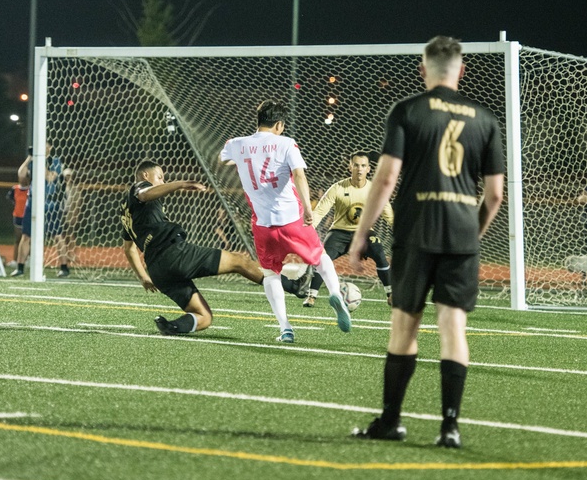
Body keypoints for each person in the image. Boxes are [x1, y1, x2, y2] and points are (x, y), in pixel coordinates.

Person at [348, 35, 504, 448]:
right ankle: (449, 427)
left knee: (405, 325)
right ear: (461, 71)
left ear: (423, 70)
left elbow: (385, 179)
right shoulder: (485, 119)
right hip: (460, 235)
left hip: (416, 231)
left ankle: (391, 422)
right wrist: (472, 231)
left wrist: (361, 235)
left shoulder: (407, 111)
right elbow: (495, 196)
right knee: (453, 327)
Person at [220, 100, 352, 343]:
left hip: (263, 225)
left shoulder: (237, 144)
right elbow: (299, 174)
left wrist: (242, 160)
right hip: (292, 220)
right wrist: (308, 209)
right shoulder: (286, 143)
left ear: (258, 121)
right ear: (279, 125)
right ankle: (335, 294)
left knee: (270, 274)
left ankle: (286, 328)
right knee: (321, 259)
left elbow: (222, 159)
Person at [121, 160, 305, 336]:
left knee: (204, 317)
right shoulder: (140, 188)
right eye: (160, 177)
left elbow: (128, 248)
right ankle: (294, 285)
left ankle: (173, 326)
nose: (163, 181)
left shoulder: (127, 210)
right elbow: (144, 193)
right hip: (173, 254)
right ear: (146, 175)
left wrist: (144, 277)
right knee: (240, 262)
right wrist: (181, 184)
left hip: (157, 271)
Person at [305, 151, 394, 307]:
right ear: (350, 166)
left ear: (368, 169)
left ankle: (391, 294)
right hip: (339, 231)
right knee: (322, 258)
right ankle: (312, 296)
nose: (359, 169)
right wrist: (307, 230)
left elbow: (389, 215)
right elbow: (319, 212)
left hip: (364, 233)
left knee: (380, 253)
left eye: (363, 166)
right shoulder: (337, 188)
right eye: (356, 165)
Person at [11, 142, 72, 278]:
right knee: (26, 236)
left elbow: (50, 177)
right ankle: (20, 267)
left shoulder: (55, 161)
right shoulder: (33, 161)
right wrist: (30, 158)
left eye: (45, 145)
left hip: (50, 204)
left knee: (57, 235)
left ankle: (64, 267)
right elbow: (21, 175)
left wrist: (41, 161)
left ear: (50, 148)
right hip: (32, 203)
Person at [5, 175, 30, 268]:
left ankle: (28, 259)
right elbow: (11, 199)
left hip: (27, 216)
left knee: (28, 239)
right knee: (18, 239)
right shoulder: (15, 189)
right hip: (18, 216)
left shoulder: (31, 189)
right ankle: (15, 260)